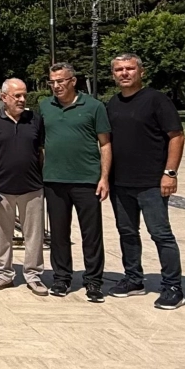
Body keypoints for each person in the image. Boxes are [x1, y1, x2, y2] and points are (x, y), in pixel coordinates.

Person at [106, 53, 185, 309]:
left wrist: (170, 173)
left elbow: (177, 136)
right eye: (119, 69)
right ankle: (133, 279)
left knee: (161, 234)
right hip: (120, 182)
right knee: (127, 232)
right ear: (113, 74)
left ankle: (172, 286)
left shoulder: (156, 100)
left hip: (152, 182)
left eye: (130, 68)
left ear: (141, 72)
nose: (124, 73)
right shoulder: (112, 103)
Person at [41, 62, 111, 301]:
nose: (56, 86)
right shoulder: (45, 106)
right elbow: (40, 143)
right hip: (54, 180)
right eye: (52, 82)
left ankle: (94, 281)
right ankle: (61, 278)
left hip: (86, 180)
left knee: (91, 234)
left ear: (73, 81)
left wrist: (104, 178)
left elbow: (105, 144)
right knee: (59, 234)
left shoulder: (94, 106)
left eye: (60, 81)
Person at [0, 78, 48, 295]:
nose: (22, 99)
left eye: (24, 95)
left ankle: (33, 275)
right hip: (2, 188)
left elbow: (41, 151)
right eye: (17, 96)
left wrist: (41, 176)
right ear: (4, 97)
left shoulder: (35, 119)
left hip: (32, 187)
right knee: (2, 234)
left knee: (34, 235)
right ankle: (4, 274)